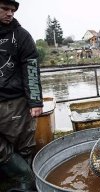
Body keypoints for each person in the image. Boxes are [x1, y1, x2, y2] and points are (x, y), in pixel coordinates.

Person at [0, 0, 43, 191]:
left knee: (23, 145)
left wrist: (35, 101)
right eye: (4, 9)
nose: (10, 13)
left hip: (14, 103)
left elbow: (31, 69)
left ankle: (26, 183)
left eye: (12, 10)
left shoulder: (22, 36)